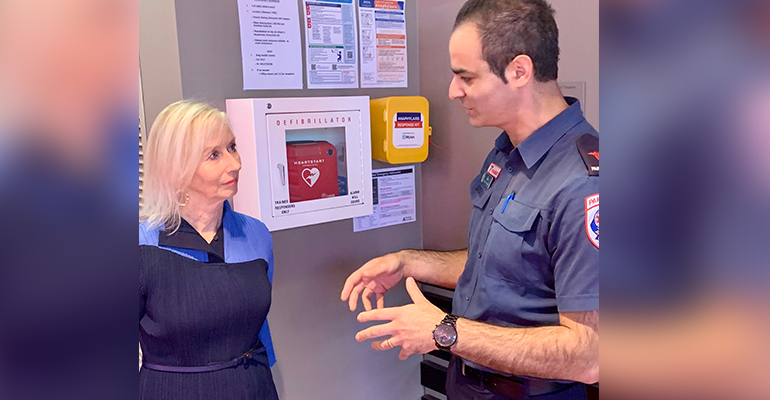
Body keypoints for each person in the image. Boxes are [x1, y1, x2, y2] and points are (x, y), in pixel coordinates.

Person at [340, 1, 599, 399]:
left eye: (466, 77)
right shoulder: (506, 154)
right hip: (467, 383)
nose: (453, 91)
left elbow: (589, 355)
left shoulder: (583, 183)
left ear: (519, 71)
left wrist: (445, 332)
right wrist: (409, 262)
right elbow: (494, 262)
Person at [139, 100, 279, 400]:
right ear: (177, 169)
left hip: (254, 387)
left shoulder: (256, 235)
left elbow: (259, 328)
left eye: (232, 147)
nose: (235, 164)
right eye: (214, 155)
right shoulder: (140, 246)